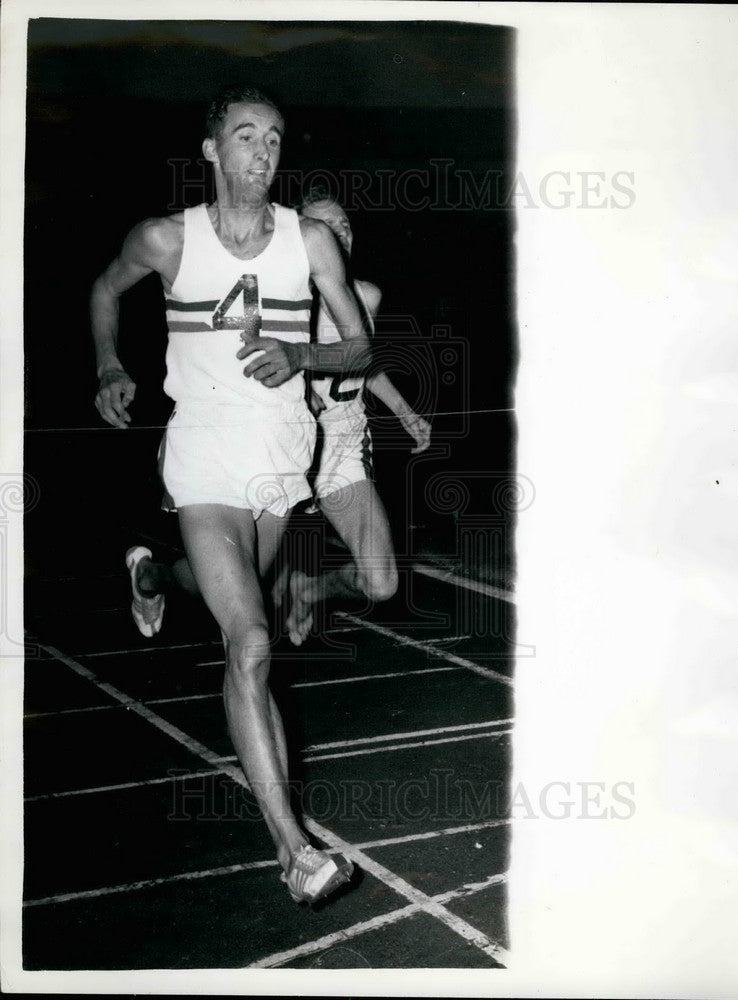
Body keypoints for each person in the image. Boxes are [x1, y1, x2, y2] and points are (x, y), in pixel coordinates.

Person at [92, 85, 372, 905]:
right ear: (211, 150)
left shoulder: (311, 240)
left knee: (227, 602)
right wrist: (110, 364)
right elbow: (103, 292)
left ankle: (152, 571)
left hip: (282, 455)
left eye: (275, 139)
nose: (262, 152)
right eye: (244, 137)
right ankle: (294, 851)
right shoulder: (165, 239)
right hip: (204, 449)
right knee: (249, 642)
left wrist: (303, 359)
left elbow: (357, 349)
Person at [278, 186, 432, 645]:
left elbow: (363, 362)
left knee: (382, 583)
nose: (340, 234)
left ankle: (308, 589)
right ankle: (154, 576)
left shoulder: (366, 295)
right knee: (238, 578)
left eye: (345, 225)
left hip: (341, 439)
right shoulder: (279, 301)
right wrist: (297, 390)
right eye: (326, 227)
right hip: (280, 439)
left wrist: (404, 411)